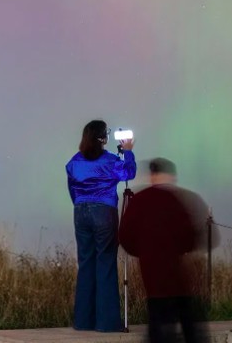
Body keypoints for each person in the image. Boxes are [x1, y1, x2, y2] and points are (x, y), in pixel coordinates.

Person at [118, 157, 218, 343]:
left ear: (152, 175)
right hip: (179, 277)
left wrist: (143, 251)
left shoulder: (139, 201)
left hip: (151, 277)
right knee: (190, 327)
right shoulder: (180, 199)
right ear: (170, 176)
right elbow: (193, 236)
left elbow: (124, 236)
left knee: (157, 326)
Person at [66, 119, 136, 332]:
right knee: (105, 263)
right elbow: (129, 173)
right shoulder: (110, 161)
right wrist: (128, 151)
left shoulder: (74, 162)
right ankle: (106, 323)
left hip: (80, 212)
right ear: (103, 138)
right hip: (104, 211)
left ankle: (83, 321)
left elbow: (72, 189)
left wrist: (81, 205)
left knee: (86, 263)